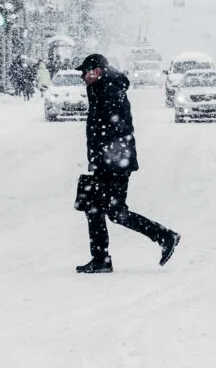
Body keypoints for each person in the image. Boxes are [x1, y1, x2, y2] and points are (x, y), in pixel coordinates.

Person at [74, 53, 180, 275]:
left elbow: (117, 129)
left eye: (85, 72)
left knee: (110, 210)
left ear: (97, 71)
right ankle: (102, 259)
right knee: (97, 208)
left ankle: (163, 236)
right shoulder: (101, 88)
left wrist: (107, 160)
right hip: (109, 161)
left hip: (114, 163)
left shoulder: (110, 90)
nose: (82, 76)